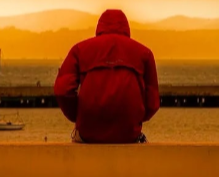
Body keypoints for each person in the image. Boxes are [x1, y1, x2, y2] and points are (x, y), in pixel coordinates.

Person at [54, 9, 159, 144]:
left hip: (88, 133)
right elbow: (153, 102)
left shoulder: (79, 50)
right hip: (128, 134)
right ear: (126, 27)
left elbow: (62, 90)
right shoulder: (145, 53)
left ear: (100, 27)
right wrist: (134, 118)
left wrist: (79, 116)